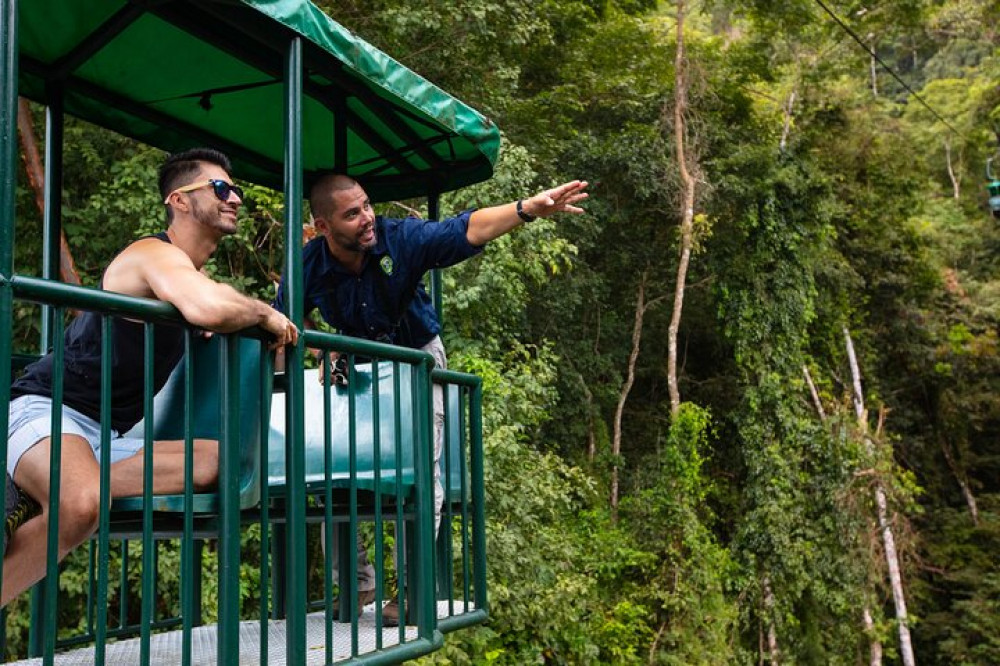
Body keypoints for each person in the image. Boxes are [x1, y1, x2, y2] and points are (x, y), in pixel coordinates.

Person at [275, 173, 588, 624]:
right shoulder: (307, 263)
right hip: (358, 365)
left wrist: (527, 208)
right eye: (351, 213)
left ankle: (411, 589)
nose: (366, 218)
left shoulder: (399, 238)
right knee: (332, 474)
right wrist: (325, 346)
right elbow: (285, 321)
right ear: (323, 227)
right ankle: (359, 584)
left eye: (367, 206)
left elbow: (466, 228)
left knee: (417, 471)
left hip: (415, 356)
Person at [1, 148, 299, 606]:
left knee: (215, 461)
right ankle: (49, 480)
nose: (235, 198)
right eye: (221, 188)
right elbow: (209, 306)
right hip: (44, 407)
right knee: (80, 504)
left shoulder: (185, 280)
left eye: (235, 189)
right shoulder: (151, 254)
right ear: (179, 201)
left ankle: (31, 483)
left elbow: (209, 308)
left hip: (103, 435)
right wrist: (264, 313)